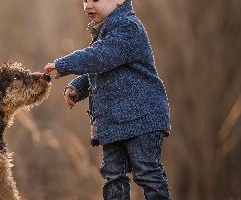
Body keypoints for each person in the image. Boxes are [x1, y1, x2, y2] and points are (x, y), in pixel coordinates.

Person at [43, 0, 171, 199]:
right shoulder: (107, 30)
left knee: (147, 173)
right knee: (113, 176)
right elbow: (103, 69)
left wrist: (66, 64)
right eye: (84, 0)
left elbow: (101, 57)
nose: (87, 5)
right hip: (114, 122)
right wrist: (78, 87)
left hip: (142, 116)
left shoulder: (128, 27)